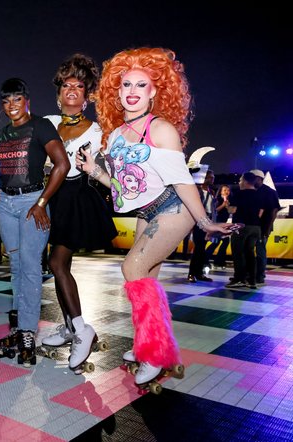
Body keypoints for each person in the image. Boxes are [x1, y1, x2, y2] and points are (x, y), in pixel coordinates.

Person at [77, 48, 232, 386]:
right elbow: (121, 185)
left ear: (154, 91)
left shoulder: (161, 129)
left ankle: (153, 353)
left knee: (131, 268)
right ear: (116, 92)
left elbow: (182, 181)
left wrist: (205, 222)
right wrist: (93, 170)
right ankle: (150, 345)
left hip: (172, 207)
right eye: (126, 84)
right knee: (145, 281)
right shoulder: (116, 136)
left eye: (141, 85)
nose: (132, 91)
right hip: (147, 213)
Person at [41, 54, 117, 372]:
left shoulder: (97, 131)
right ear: (59, 95)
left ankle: (82, 329)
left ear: (86, 98)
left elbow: (108, 170)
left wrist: (101, 166)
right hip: (52, 199)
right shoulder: (45, 124)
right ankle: (72, 327)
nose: (72, 89)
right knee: (58, 265)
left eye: (79, 86)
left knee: (57, 263)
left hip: (76, 198)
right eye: (66, 85)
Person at [0, 78, 70, 367]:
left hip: (32, 204)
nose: (12, 105)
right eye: (6, 100)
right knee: (15, 267)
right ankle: (17, 329)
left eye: (17, 99)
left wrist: (41, 202)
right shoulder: (3, 133)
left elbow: (62, 165)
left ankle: (28, 333)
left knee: (29, 269)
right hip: (7, 204)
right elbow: (3, 168)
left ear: (27, 100)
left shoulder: (41, 126)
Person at [225, 172, 265, 289]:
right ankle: (251, 280)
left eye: (241, 180)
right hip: (256, 227)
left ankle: (239, 279)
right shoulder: (260, 194)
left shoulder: (239, 194)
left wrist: (227, 205)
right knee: (250, 253)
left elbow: (232, 211)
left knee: (238, 253)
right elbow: (261, 212)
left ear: (246, 181)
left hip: (241, 226)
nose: (239, 182)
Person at [250, 169, 282, 285]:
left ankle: (260, 276)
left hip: (263, 226)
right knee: (249, 251)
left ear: (259, 178)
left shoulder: (269, 191)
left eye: (253, 178)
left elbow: (274, 211)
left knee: (260, 251)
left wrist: (267, 229)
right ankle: (251, 275)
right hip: (251, 225)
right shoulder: (251, 190)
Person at [187, 169, 216, 282]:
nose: (212, 178)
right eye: (210, 177)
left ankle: (199, 273)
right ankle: (191, 273)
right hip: (199, 222)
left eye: (213, 176)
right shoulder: (197, 191)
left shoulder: (211, 192)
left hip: (209, 221)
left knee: (202, 249)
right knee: (198, 248)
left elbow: (212, 210)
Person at [206, 184, 232, 269]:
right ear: (220, 191)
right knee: (216, 242)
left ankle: (219, 261)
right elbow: (214, 210)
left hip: (224, 224)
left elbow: (230, 211)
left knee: (224, 242)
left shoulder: (229, 200)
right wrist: (223, 205)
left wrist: (227, 206)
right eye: (225, 190)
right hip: (217, 223)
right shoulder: (217, 199)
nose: (227, 192)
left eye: (228, 190)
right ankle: (206, 259)